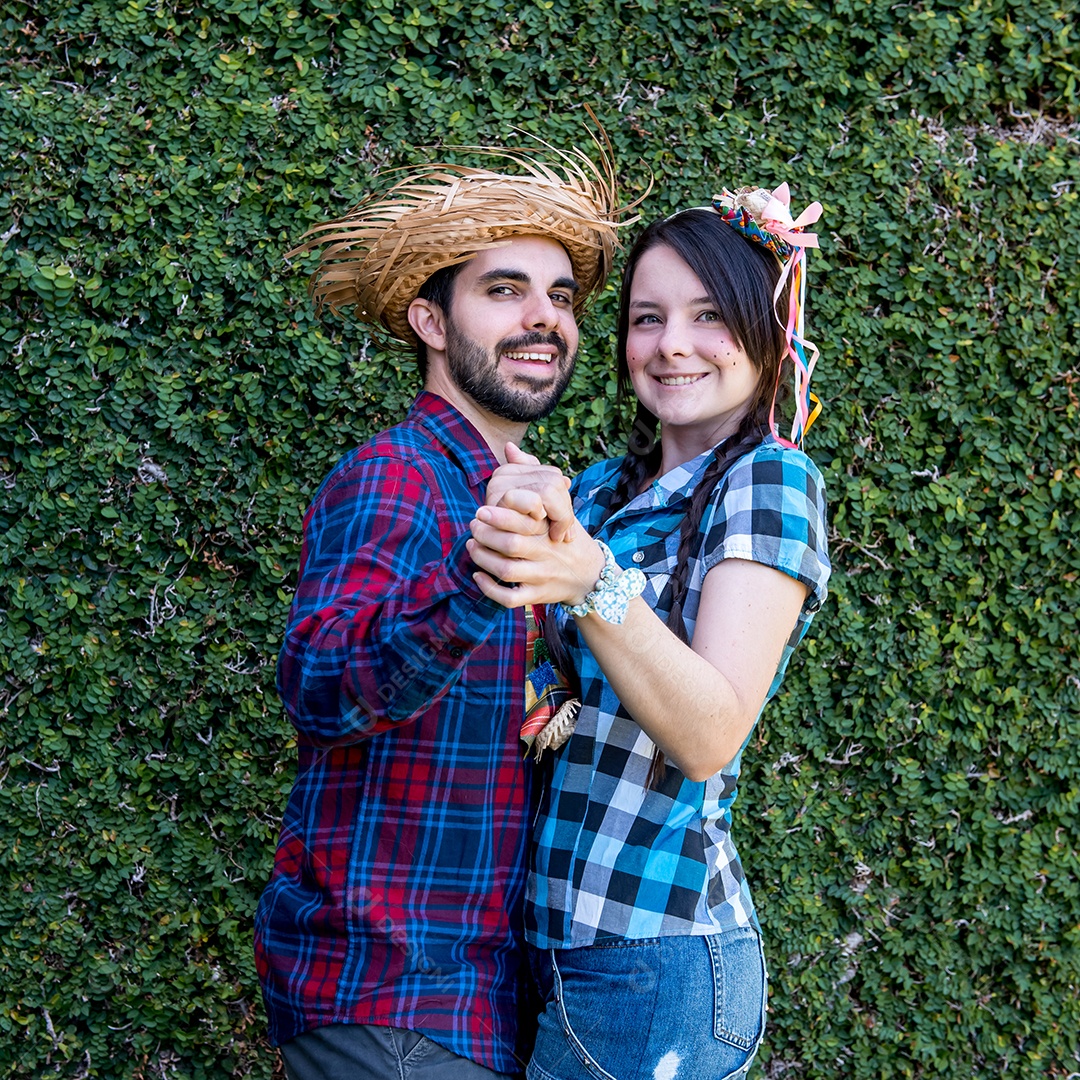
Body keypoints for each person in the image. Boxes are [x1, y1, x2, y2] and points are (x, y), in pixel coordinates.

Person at [254, 138, 629, 1080]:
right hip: (389, 994)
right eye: (504, 291)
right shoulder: (396, 479)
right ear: (430, 318)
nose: (545, 319)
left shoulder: (523, 494)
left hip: (476, 1001)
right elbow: (320, 688)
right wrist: (472, 583)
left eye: (561, 297)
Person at [467, 185, 832, 1080]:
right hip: (546, 941)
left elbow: (709, 733)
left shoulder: (770, 482)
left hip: (656, 954)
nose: (672, 344)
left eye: (709, 316)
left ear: (767, 331)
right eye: (646, 317)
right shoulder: (597, 491)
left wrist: (591, 579)